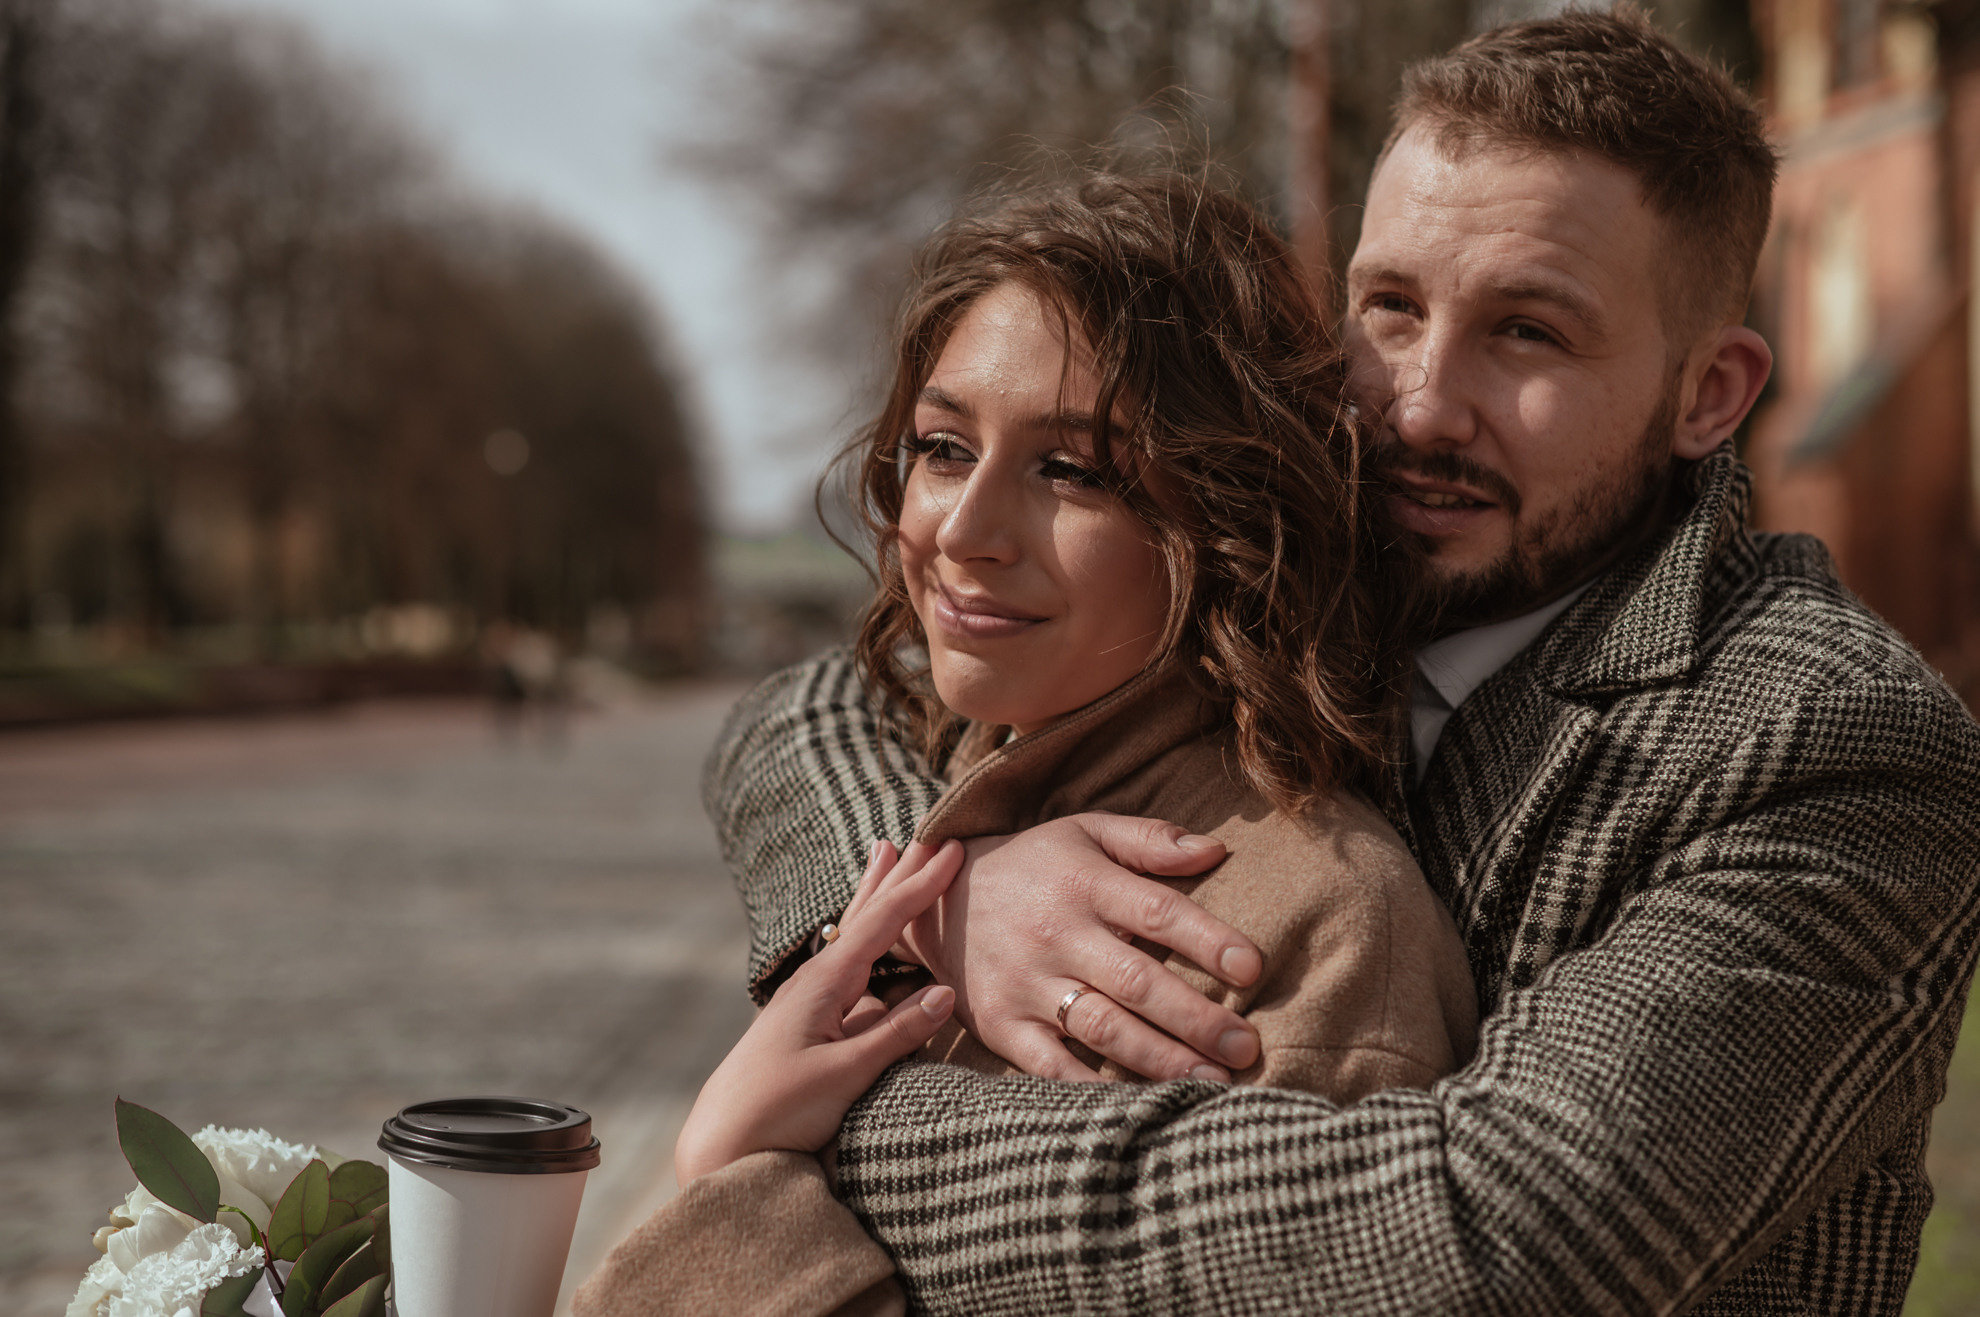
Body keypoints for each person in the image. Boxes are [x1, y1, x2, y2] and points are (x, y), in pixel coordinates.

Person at [702, 9, 1980, 1315]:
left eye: (1529, 333)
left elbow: (1495, 1244)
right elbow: (810, 709)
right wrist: (945, 896)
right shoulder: (1294, 572)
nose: (1421, 406)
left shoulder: (1833, 737)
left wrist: (830, 1115)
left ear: (1710, 392)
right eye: (1392, 308)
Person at [575, 172, 1478, 1317]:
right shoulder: (943, 764)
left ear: (1230, 519)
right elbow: (787, 717)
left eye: (1072, 470)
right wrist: (939, 897)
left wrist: (738, 1179)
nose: (965, 531)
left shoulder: (1326, 932)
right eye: (944, 447)